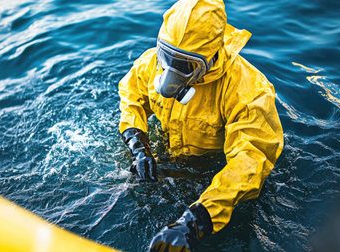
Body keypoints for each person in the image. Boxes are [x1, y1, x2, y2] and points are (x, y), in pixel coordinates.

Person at [118, 0, 284, 251]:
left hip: (212, 176)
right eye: (166, 57)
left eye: (185, 66)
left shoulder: (248, 90)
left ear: (210, 57)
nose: (170, 72)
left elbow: (251, 159)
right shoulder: (152, 63)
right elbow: (132, 96)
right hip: (167, 158)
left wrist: (195, 222)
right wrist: (138, 145)